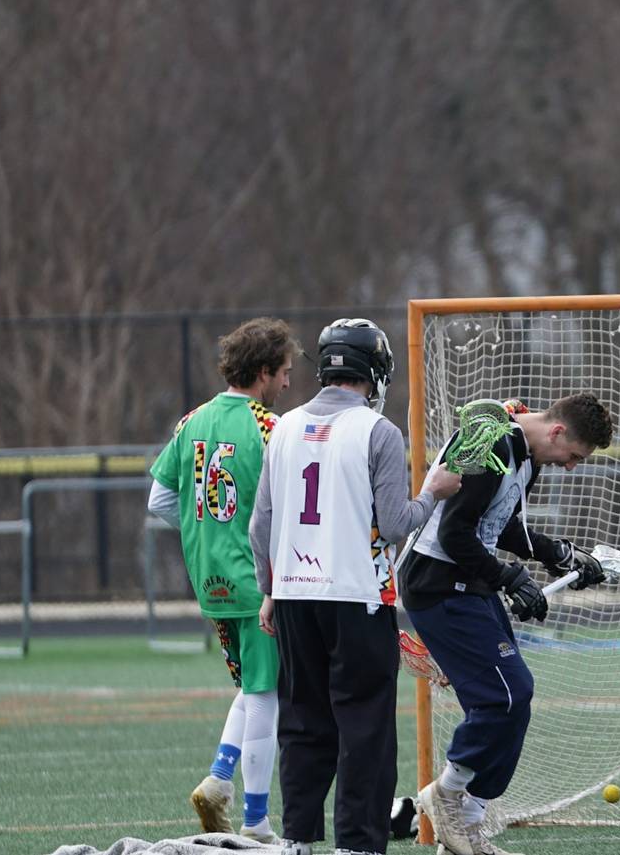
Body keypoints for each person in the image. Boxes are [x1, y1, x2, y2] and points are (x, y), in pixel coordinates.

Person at [249, 318, 460, 855]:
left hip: (294, 594)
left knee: (302, 723)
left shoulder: (283, 427)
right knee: (364, 726)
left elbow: (260, 525)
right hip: (356, 596)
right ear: (373, 372)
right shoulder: (378, 431)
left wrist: (269, 588)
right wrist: (432, 492)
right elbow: (394, 523)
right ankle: (357, 844)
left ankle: (297, 838)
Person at [400, 394, 617, 855]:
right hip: (437, 584)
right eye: (574, 456)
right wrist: (509, 577)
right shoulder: (492, 444)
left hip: (468, 582)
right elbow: (454, 533)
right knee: (505, 695)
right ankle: (445, 794)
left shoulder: (526, 456)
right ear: (557, 431)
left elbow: (503, 526)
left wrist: (559, 554)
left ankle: (465, 829)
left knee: (515, 703)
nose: (571, 466)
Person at [146, 318, 298, 840]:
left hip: (209, 579)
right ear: (263, 371)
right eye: (284, 372)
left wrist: (204, 531)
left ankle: (218, 780)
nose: (287, 383)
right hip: (258, 583)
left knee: (254, 685)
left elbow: (160, 499)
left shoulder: (192, 421)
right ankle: (255, 822)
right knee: (267, 696)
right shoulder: (270, 428)